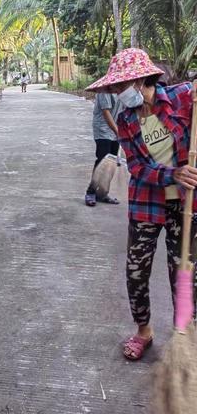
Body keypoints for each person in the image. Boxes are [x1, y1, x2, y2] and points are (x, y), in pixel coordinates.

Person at [85, 48, 197, 360]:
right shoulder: (127, 120)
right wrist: (173, 173)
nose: (118, 94)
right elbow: (137, 168)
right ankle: (143, 331)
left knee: (184, 273)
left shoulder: (182, 97)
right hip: (147, 203)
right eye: (115, 89)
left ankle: (184, 336)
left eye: (121, 87)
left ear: (139, 81)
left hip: (186, 205)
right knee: (136, 270)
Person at [84, 92, 122, 206]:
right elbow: (106, 112)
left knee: (112, 161)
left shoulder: (124, 86)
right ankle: (91, 192)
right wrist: (117, 131)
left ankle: (102, 193)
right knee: (102, 160)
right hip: (103, 129)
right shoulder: (105, 89)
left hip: (116, 128)